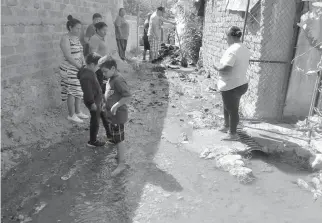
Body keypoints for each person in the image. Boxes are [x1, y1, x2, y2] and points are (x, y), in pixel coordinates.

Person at [213, 26, 250, 141]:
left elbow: (226, 68)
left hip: (232, 85)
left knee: (232, 110)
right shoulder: (243, 48)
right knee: (228, 106)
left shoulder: (233, 50)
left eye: (226, 37)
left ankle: (233, 134)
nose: (226, 40)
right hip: (240, 83)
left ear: (230, 36)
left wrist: (216, 67)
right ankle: (226, 126)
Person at [100, 56, 131, 176]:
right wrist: (105, 104)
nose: (103, 74)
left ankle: (122, 164)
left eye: (105, 71)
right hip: (113, 115)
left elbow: (127, 96)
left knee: (119, 140)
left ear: (113, 68)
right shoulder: (110, 78)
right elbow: (110, 94)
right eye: (102, 72)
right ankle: (119, 155)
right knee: (116, 137)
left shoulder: (118, 80)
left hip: (118, 115)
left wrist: (116, 105)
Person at [77, 53, 111, 147]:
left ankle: (110, 135)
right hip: (93, 102)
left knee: (104, 116)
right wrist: (92, 103)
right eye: (98, 66)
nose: (99, 68)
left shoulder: (87, 71)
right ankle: (92, 141)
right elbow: (88, 92)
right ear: (92, 65)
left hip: (97, 100)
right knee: (95, 121)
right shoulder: (86, 77)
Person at [60, 15, 88, 123]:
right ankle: (71, 115)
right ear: (70, 28)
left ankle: (78, 112)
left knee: (78, 90)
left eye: (80, 29)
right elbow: (68, 56)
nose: (79, 31)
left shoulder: (76, 38)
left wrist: (84, 65)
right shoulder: (65, 38)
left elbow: (81, 53)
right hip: (69, 69)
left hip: (78, 68)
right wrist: (80, 67)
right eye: (77, 28)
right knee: (71, 91)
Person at [88, 22, 109, 94]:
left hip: (102, 66)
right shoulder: (95, 38)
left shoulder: (101, 38)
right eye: (104, 30)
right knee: (99, 90)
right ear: (98, 29)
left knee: (104, 88)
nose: (105, 32)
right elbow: (93, 55)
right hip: (98, 68)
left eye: (106, 30)